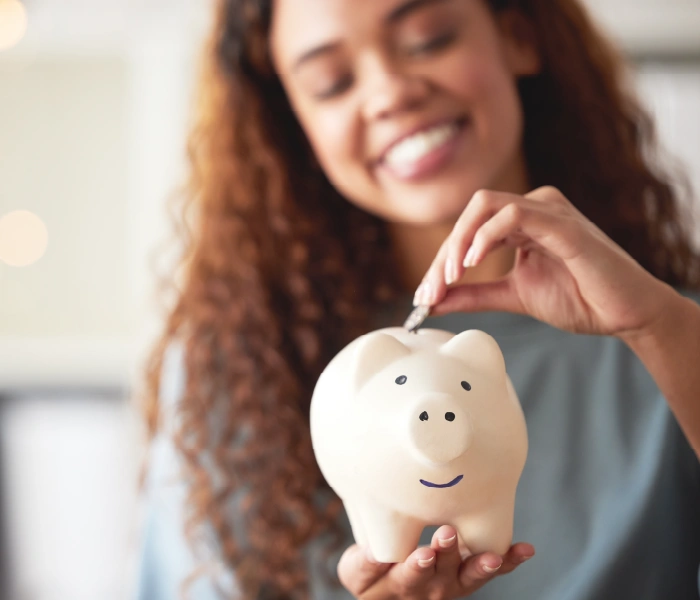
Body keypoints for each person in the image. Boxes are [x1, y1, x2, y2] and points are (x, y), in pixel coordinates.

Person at [132, 0, 700, 598]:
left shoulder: (668, 335)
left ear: (518, 36)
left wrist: (660, 326)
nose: (389, 93)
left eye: (428, 40)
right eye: (331, 83)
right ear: (293, 124)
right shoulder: (236, 373)